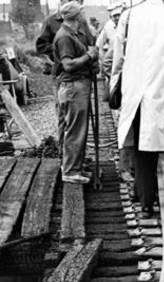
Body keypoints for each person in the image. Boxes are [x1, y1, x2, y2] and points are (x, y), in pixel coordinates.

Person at [111, 0, 164, 218]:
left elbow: (118, 58)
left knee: (143, 148)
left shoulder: (127, 16)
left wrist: (114, 86)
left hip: (136, 91)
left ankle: (146, 202)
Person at [52, 1, 98, 184]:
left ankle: (74, 167)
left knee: (76, 129)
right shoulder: (64, 37)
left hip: (75, 86)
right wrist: (89, 56)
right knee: (75, 131)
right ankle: (70, 172)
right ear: (77, 16)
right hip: (73, 87)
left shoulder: (70, 34)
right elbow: (68, 65)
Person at [96, 2, 123, 76]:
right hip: (112, 64)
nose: (117, 18)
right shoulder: (108, 26)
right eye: (115, 16)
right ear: (111, 17)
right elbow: (99, 45)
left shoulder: (128, 26)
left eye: (119, 15)